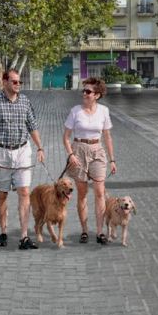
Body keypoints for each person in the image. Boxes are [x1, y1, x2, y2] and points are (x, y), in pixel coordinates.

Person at [0, 68, 46, 249]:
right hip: (0, 152)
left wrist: (40, 147)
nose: (18, 85)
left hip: (22, 151)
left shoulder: (25, 101)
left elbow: (32, 126)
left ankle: (24, 237)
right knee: (2, 194)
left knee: (24, 192)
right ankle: (4, 232)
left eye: (19, 82)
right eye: (14, 81)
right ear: (4, 82)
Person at [63, 76, 117, 245]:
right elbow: (66, 137)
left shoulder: (104, 111)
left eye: (88, 91)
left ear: (97, 95)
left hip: (97, 152)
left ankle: (100, 232)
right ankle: (85, 230)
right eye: (84, 90)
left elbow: (107, 137)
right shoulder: (75, 111)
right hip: (78, 151)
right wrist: (71, 155)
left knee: (100, 192)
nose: (84, 94)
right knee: (82, 194)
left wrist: (112, 160)